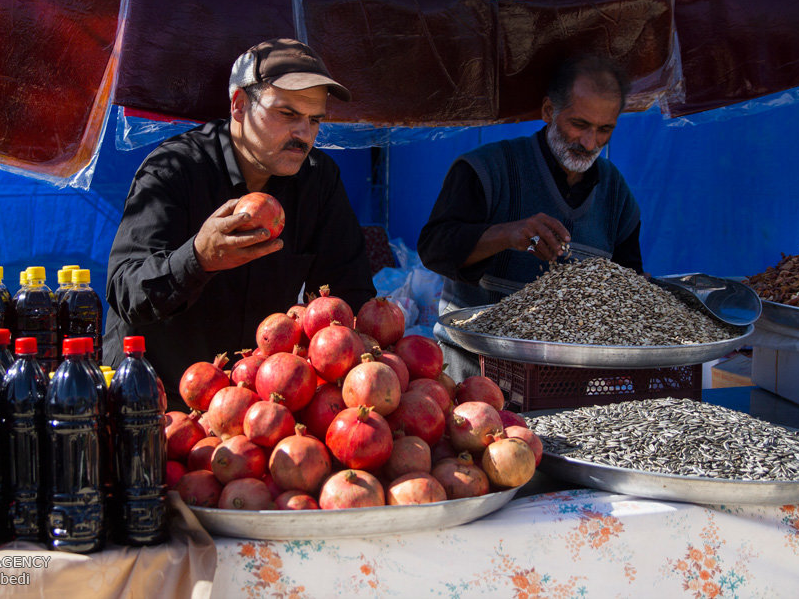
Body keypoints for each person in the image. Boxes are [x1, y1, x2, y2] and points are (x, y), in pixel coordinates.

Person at [104, 38, 376, 401]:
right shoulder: (175, 170)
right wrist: (198, 258)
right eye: (287, 113)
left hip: (257, 408)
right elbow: (125, 290)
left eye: (314, 120)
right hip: (157, 401)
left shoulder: (319, 181)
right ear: (239, 105)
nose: (304, 134)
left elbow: (350, 292)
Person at [418, 55, 642, 380]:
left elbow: (627, 284)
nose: (590, 142)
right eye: (579, 124)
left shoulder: (617, 195)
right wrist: (508, 234)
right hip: (474, 381)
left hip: (569, 384)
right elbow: (434, 248)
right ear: (549, 111)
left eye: (604, 129)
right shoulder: (486, 170)